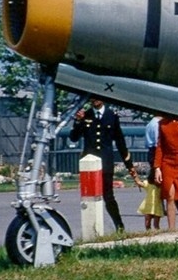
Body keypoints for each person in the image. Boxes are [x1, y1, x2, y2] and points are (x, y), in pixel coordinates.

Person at [70, 96, 135, 233]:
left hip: (105, 162)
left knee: (108, 196)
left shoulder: (111, 115)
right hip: (89, 162)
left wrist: (129, 165)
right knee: (88, 197)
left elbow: (120, 141)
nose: (95, 100)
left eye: (97, 98)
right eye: (92, 98)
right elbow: (74, 138)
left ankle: (119, 225)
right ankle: (91, 229)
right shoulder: (86, 115)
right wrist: (78, 122)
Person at [138, 164, 163, 231]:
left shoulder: (161, 187)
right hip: (148, 205)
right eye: (155, 178)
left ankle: (157, 234)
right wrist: (135, 177)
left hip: (157, 206)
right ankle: (148, 233)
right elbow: (140, 183)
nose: (156, 180)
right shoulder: (148, 184)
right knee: (147, 222)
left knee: (156, 224)